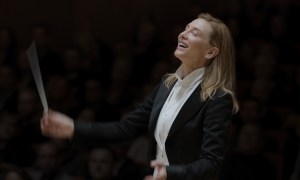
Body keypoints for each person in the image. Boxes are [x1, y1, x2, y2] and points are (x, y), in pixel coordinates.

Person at [40, 12, 239, 180]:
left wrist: (170, 173)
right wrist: (73, 128)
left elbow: (211, 163)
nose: (183, 34)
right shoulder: (166, 85)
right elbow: (125, 129)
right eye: (185, 29)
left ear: (211, 52)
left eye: (194, 33)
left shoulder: (218, 97)